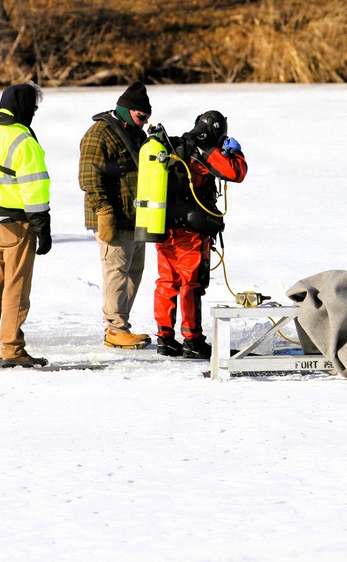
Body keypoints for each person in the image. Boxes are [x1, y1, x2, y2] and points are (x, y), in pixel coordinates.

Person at [0, 82, 51, 368]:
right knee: (16, 287)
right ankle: (12, 349)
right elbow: (34, 187)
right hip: (16, 225)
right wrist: (42, 226)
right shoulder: (23, 140)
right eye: (34, 108)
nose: (34, 114)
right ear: (25, 107)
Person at [154, 111, 248, 359]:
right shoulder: (204, 148)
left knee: (167, 282)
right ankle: (192, 340)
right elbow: (236, 172)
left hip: (163, 227)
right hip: (190, 232)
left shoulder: (175, 145)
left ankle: (165, 339)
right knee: (191, 284)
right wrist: (236, 153)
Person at [79, 81, 154, 349]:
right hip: (113, 216)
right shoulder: (99, 134)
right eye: (141, 116)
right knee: (116, 272)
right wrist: (104, 210)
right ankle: (115, 329)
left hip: (136, 217)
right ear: (127, 110)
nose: (145, 122)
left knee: (134, 272)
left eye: (147, 117)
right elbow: (89, 177)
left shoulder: (137, 135)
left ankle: (121, 326)